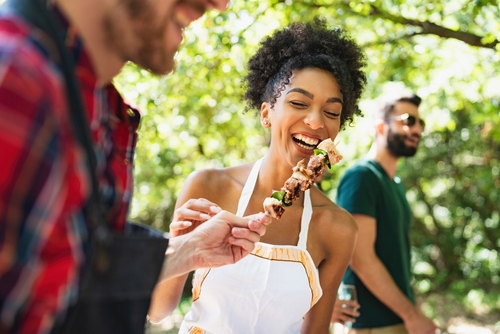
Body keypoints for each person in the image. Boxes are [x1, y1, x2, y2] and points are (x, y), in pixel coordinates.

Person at [0, 0, 272, 332]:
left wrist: (189, 250)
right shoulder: (14, 83)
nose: (220, 4)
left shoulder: (102, 108)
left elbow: (61, 285)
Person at [148, 19, 366, 333]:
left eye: (331, 112)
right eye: (299, 103)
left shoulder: (339, 228)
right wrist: (181, 244)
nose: (316, 122)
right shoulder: (207, 187)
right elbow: (157, 311)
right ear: (267, 113)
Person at [335, 94, 438, 334]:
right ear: (381, 126)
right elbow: (360, 258)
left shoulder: (396, 183)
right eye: (408, 120)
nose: (417, 130)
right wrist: (411, 315)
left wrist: (413, 312)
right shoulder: (362, 177)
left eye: (420, 123)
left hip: (396, 319)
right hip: (370, 324)